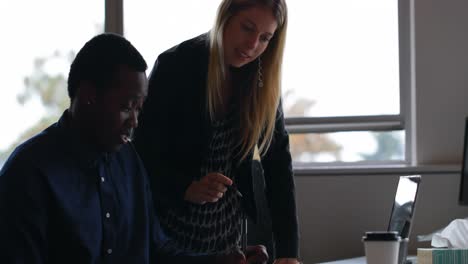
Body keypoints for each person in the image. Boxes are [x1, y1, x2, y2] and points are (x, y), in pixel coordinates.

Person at [0, 33, 266, 264]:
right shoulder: (29, 173)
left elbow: (159, 251)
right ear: (89, 97)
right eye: (127, 107)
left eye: (140, 109)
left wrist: (218, 261)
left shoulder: (129, 161)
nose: (136, 122)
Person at [134, 0, 300, 263]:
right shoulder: (176, 64)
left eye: (265, 38)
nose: (252, 45)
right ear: (225, 16)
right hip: (168, 233)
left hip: (227, 236)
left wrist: (289, 253)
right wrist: (185, 188)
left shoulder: (261, 79)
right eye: (247, 28)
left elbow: (278, 164)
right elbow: (141, 154)